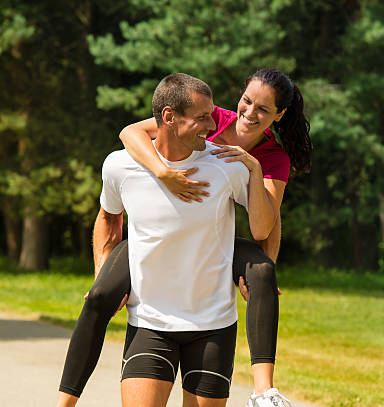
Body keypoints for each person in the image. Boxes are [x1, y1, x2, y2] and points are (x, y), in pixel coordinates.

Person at [56, 68, 312, 407]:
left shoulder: (264, 159)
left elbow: (267, 223)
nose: (249, 114)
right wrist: (164, 173)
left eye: (263, 110)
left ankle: (264, 391)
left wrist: (262, 272)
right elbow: (131, 132)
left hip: (218, 260)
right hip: (154, 287)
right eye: (247, 102)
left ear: (279, 115)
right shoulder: (215, 117)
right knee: (101, 292)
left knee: (263, 272)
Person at [94, 72, 265, 406]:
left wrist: (256, 170)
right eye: (202, 117)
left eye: (212, 115)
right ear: (169, 117)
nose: (212, 124)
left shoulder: (226, 164)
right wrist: (106, 279)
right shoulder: (121, 165)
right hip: (149, 322)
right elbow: (108, 218)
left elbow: (263, 225)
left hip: (213, 326)